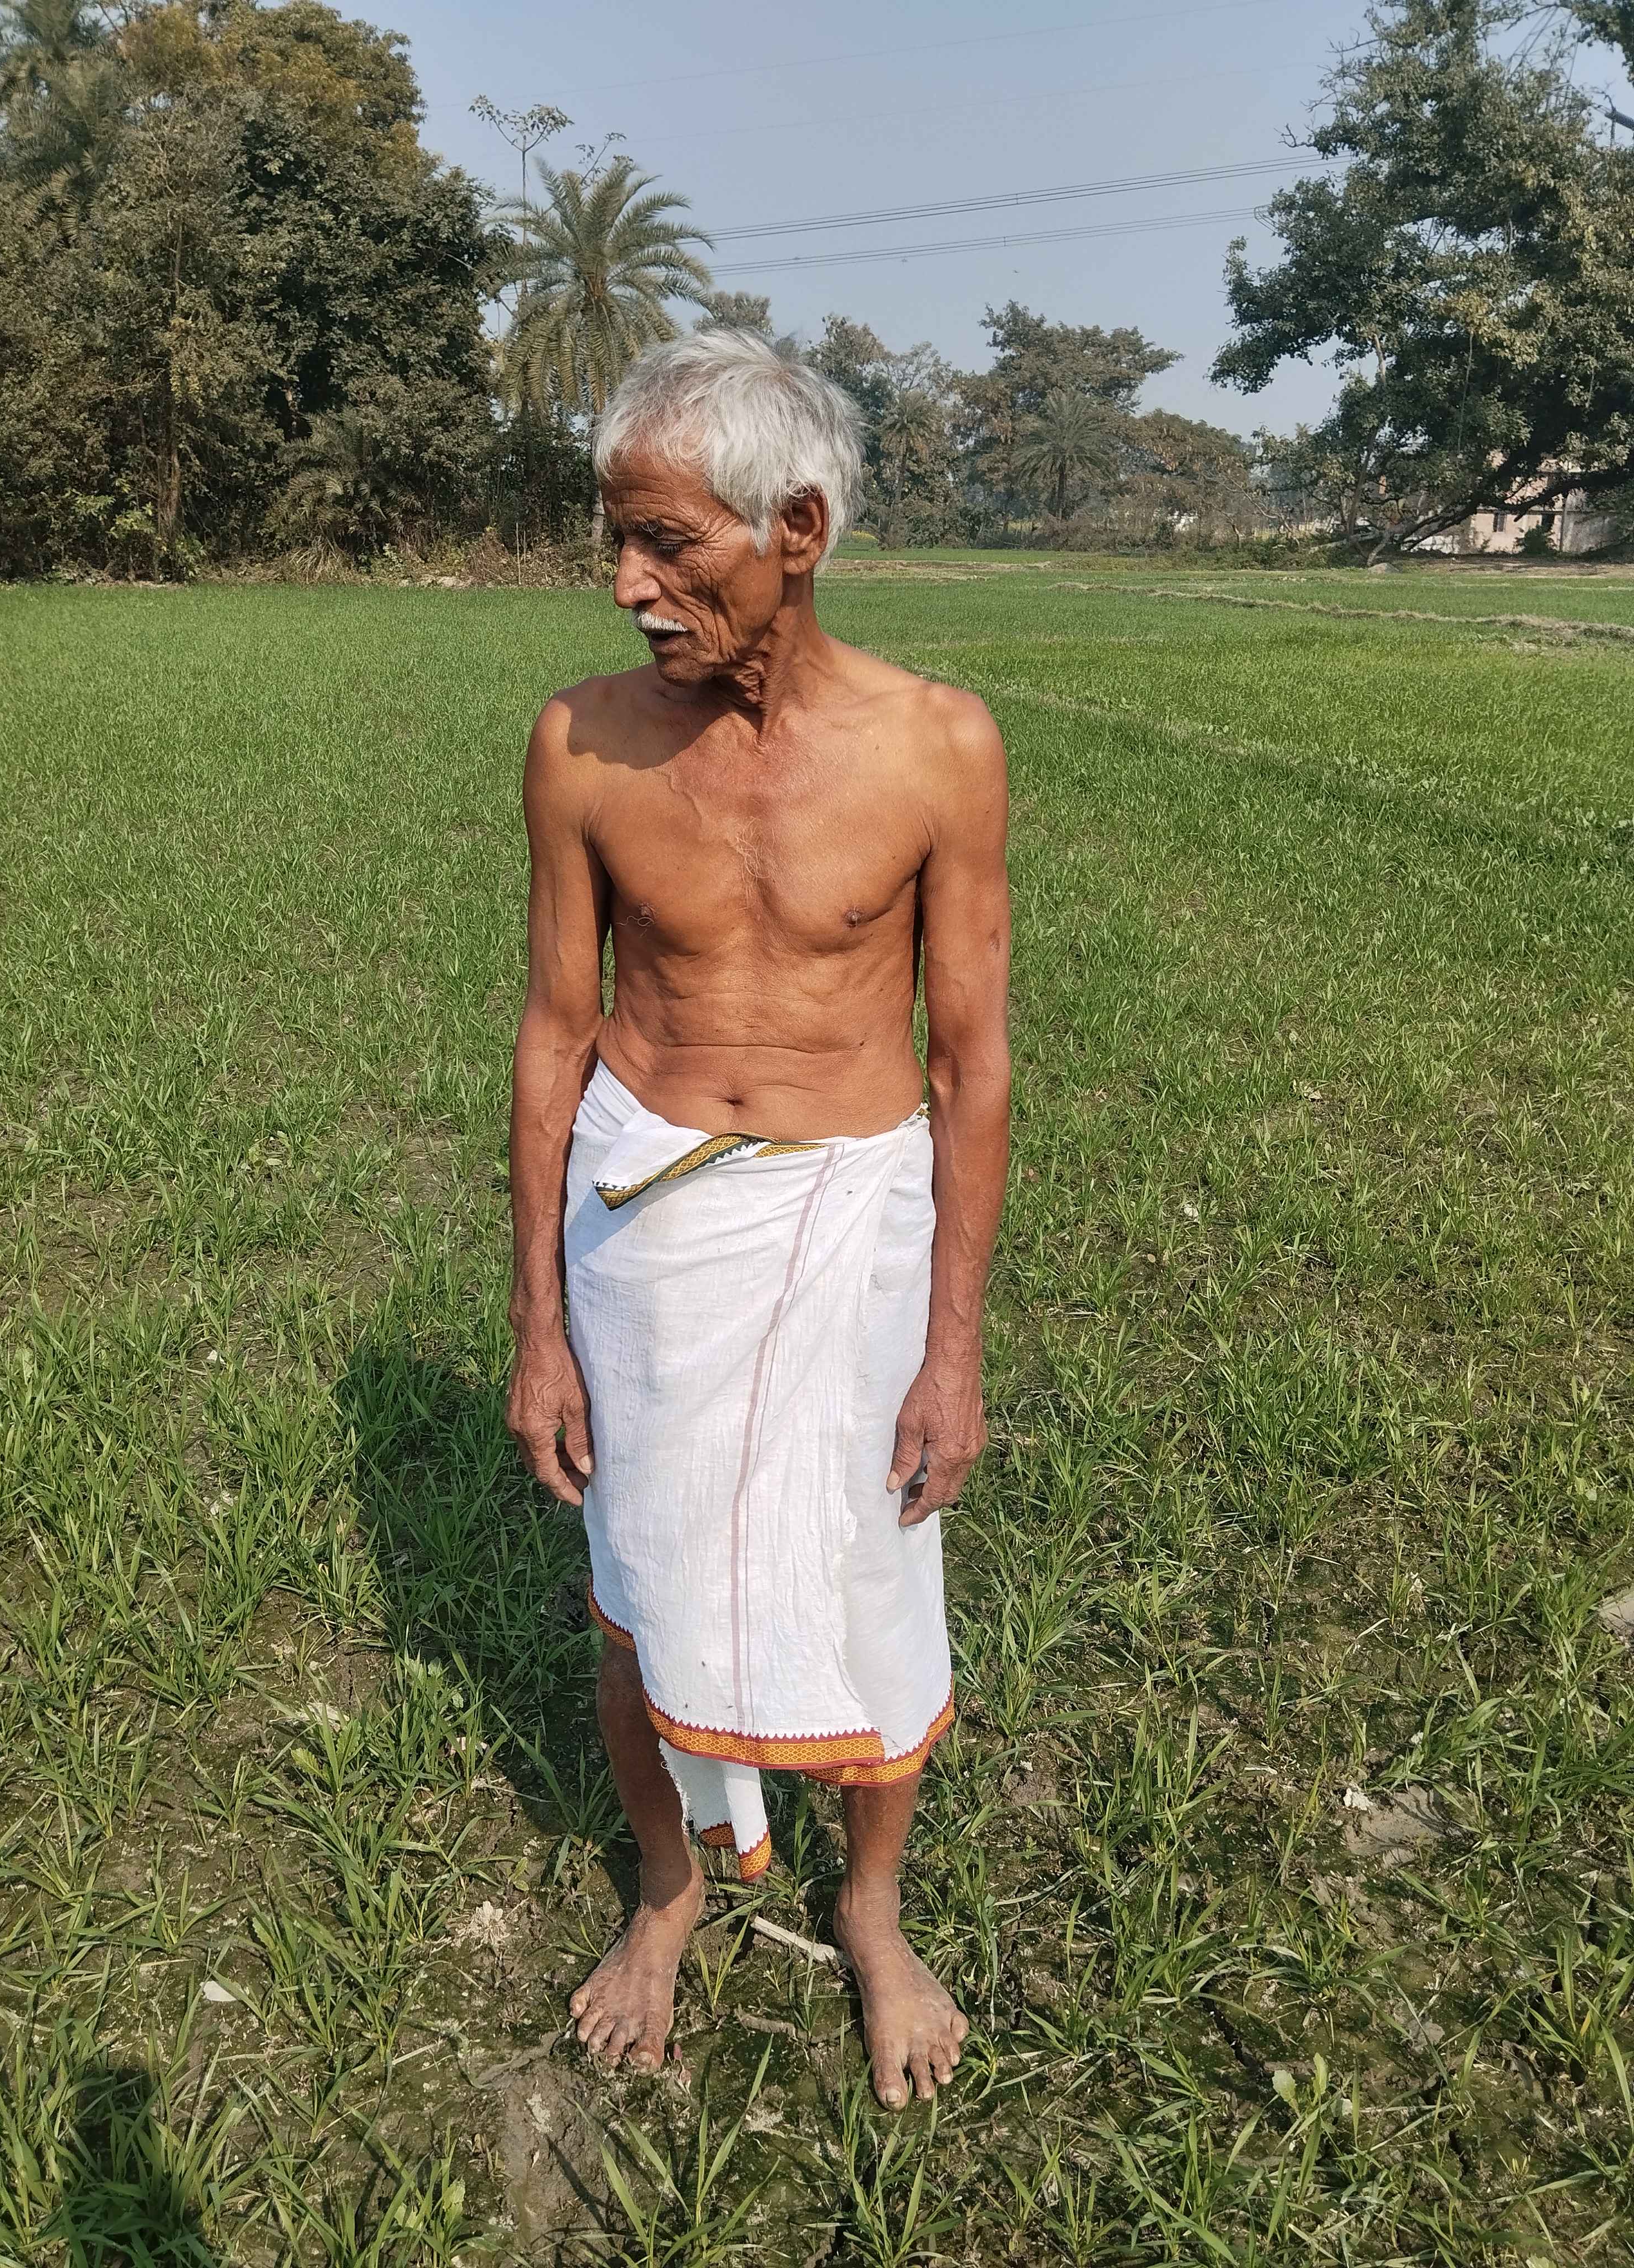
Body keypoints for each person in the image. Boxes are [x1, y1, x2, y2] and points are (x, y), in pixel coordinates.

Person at [505, 330, 1010, 2110]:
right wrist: (539, 1325)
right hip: (648, 1234)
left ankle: (870, 1910)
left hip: (850, 1226)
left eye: (669, 543)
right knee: (636, 1578)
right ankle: (668, 1889)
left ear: (796, 530)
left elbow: (971, 1060)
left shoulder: (938, 748)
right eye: (616, 542)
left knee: (871, 1578)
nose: (630, 585)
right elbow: (556, 1033)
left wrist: (952, 1352)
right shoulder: (581, 746)